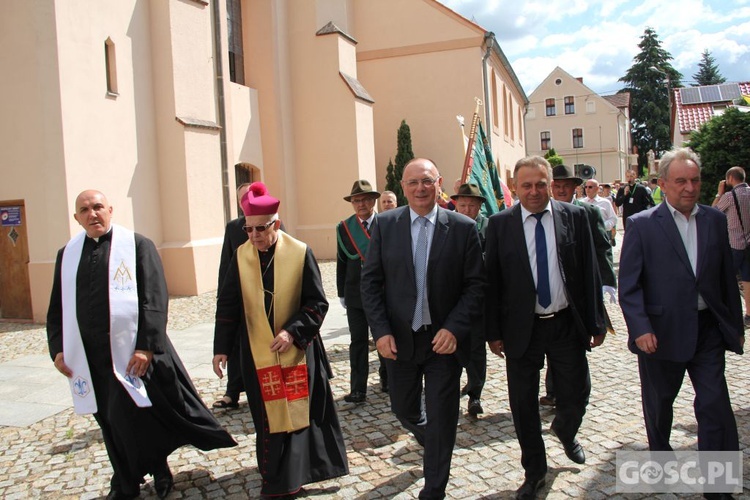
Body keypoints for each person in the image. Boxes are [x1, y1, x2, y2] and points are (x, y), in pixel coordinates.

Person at [47, 190, 236, 500]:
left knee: (140, 416)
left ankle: (154, 470)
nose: (93, 214)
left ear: (110, 209)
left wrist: (146, 346)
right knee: (109, 421)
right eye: (85, 209)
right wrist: (57, 348)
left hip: (133, 353)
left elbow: (154, 298)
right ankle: (125, 478)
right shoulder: (66, 255)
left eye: (98, 207)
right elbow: (56, 309)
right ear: (76, 217)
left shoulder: (136, 246)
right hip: (91, 359)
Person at [213, 182, 348, 499]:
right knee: (267, 417)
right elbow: (228, 304)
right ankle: (275, 477)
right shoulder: (241, 256)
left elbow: (317, 303)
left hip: (296, 351)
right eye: (248, 229)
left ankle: (290, 478)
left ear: (275, 223)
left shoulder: (300, 253)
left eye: (261, 228)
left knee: (296, 414)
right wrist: (221, 348)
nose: (254, 236)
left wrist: (292, 331)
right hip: (257, 353)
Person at [361, 158, 485, 499]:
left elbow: (476, 286)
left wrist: (455, 328)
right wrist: (381, 331)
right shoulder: (386, 226)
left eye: (427, 181)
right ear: (403, 186)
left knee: (443, 418)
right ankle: (431, 438)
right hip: (399, 341)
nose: (420, 188)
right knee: (403, 409)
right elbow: (370, 283)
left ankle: (434, 488)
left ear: (439, 183)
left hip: (443, 341)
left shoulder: (462, 228)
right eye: (413, 182)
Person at [485, 156, 606, 500]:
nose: (534, 191)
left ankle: (566, 430)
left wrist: (596, 319)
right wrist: (492, 331)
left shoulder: (575, 216)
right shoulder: (499, 224)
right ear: (516, 187)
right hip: (521, 329)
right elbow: (491, 280)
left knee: (577, 392)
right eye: (526, 185)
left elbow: (589, 271)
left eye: (541, 184)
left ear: (551, 185)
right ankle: (534, 470)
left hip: (567, 323)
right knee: (523, 405)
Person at [619, 148, 744, 469]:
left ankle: (718, 484)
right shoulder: (642, 225)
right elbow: (630, 286)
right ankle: (660, 453)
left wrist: (732, 325)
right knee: (660, 403)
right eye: (680, 181)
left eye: (695, 180)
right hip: (661, 334)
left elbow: (725, 278)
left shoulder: (715, 220)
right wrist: (640, 327)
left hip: (707, 333)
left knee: (715, 405)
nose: (689, 187)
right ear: (663, 183)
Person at [540, 165, 617, 408]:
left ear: (575, 188)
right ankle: (553, 391)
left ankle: (575, 391)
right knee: (553, 343)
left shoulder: (587, 212)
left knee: (574, 343)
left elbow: (602, 247)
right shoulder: (546, 212)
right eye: (557, 186)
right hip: (555, 288)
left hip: (582, 286)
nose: (561, 190)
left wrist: (607, 282)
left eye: (566, 186)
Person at [337, 179, 387, 402]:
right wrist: (341, 292)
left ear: (373, 201)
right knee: (358, 341)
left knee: (384, 337)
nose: (361, 204)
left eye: (365, 199)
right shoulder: (345, 227)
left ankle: (388, 380)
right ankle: (358, 389)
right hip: (355, 294)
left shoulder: (386, 223)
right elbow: (341, 261)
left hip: (383, 293)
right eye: (356, 200)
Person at [450, 182, 488, 416]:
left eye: (471, 205)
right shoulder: (448, 224)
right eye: (462, 205)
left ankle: (475, 393)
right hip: (451, 298)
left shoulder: (489, 226)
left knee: (476, 350)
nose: (466, 209)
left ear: (479, 206)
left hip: (478, 298)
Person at [213, 182, 251, 409]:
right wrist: (223, 295)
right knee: (235, 343)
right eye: (243, 199)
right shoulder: (233, 227)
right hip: (240, 296)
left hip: (266, 297)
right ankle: (232, 391)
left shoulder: (274, 222)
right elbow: (226, 264)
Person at [712, 166, 750, 327]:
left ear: (730, 179)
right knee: (748, 280)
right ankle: (748, 314)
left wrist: (719, 193)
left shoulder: (729, 196)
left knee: (724, 279)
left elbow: (713, 212)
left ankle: (725, 313)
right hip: (749, 244)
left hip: (734, 244)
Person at [582, 179, 618, 243]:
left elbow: (613, 219)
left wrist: (602, 226)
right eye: (586, 187)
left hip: (601, 236)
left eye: (590, 187)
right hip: (585, 238)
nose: (587, 189)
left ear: (597, 188)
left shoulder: (605, 202)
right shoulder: (580, 202)